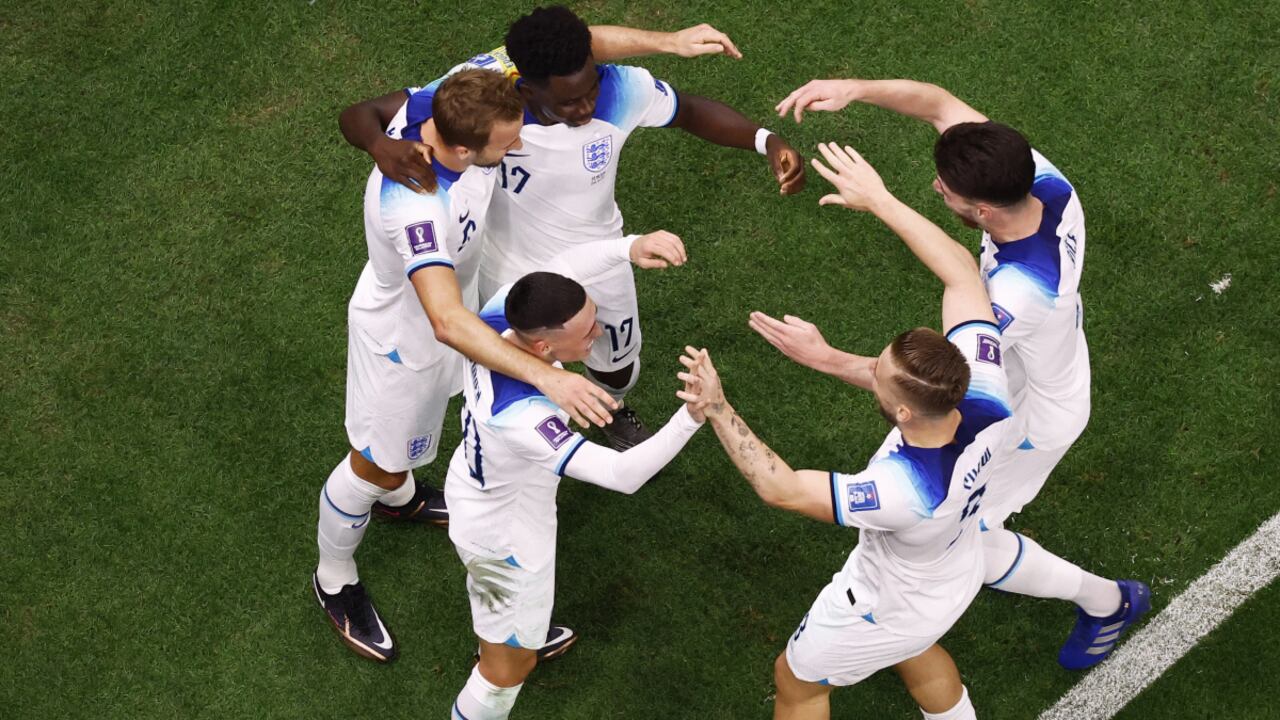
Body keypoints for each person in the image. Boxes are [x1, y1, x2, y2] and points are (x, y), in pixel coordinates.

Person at [678, 143, 1144, 719]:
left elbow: (782, 488)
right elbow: (959, 271)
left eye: (880, 376)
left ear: (902, 413)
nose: (874, 374)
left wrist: (719, 409)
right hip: (953, 564)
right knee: (917, 645)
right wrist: (879, 201)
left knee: (796, 682)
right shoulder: (987, 397)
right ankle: (1107, 601)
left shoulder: (905, 487)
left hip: (890, 601)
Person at [340, 7, 806, 450]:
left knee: (619, 368)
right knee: (523, 372)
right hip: (513, 274)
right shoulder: (478, 100)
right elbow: (362, 113)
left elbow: (686, 110)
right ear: (523, 89)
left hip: (603, 258)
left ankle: (611, 407)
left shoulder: (621, 90)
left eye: (591, 88)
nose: (586, 106)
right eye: (568, 100)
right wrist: (381, 146)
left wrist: (766, 141)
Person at [314, 68, 631, 663]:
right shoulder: (417, 203)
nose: (518, 147)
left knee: (441, 442)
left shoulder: (453, 99)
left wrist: (669, 43)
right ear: (462, 148)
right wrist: (545, 375)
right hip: (404, 345)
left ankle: (401, 499)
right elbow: (444, 320)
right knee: (374, 467)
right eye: (506, 144)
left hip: (457, 319)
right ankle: (334, 577)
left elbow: (355, 112)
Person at [774, 77, 1088, 526]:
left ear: (984, 212)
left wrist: (825, 358)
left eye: (946, 189)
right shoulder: (1040, 182)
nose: (937, 187)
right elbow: (939, 105)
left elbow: (931, 386)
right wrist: (854, 89)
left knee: (965, 525)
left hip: (1030, 419)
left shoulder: (1019, 293)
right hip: (1038, 356)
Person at [445, 256, 703, 720]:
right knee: (505, 670)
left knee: (512, 637)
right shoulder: (525, 419)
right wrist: (692, 416)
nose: (598, 333)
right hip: (506, 542)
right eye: (586, 333)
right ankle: (509, 654)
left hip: (482, 490)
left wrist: (630, 245)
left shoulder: (502, 314)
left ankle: (518, 634)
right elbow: (621, 476)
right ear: (544, 346)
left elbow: (562, 263)